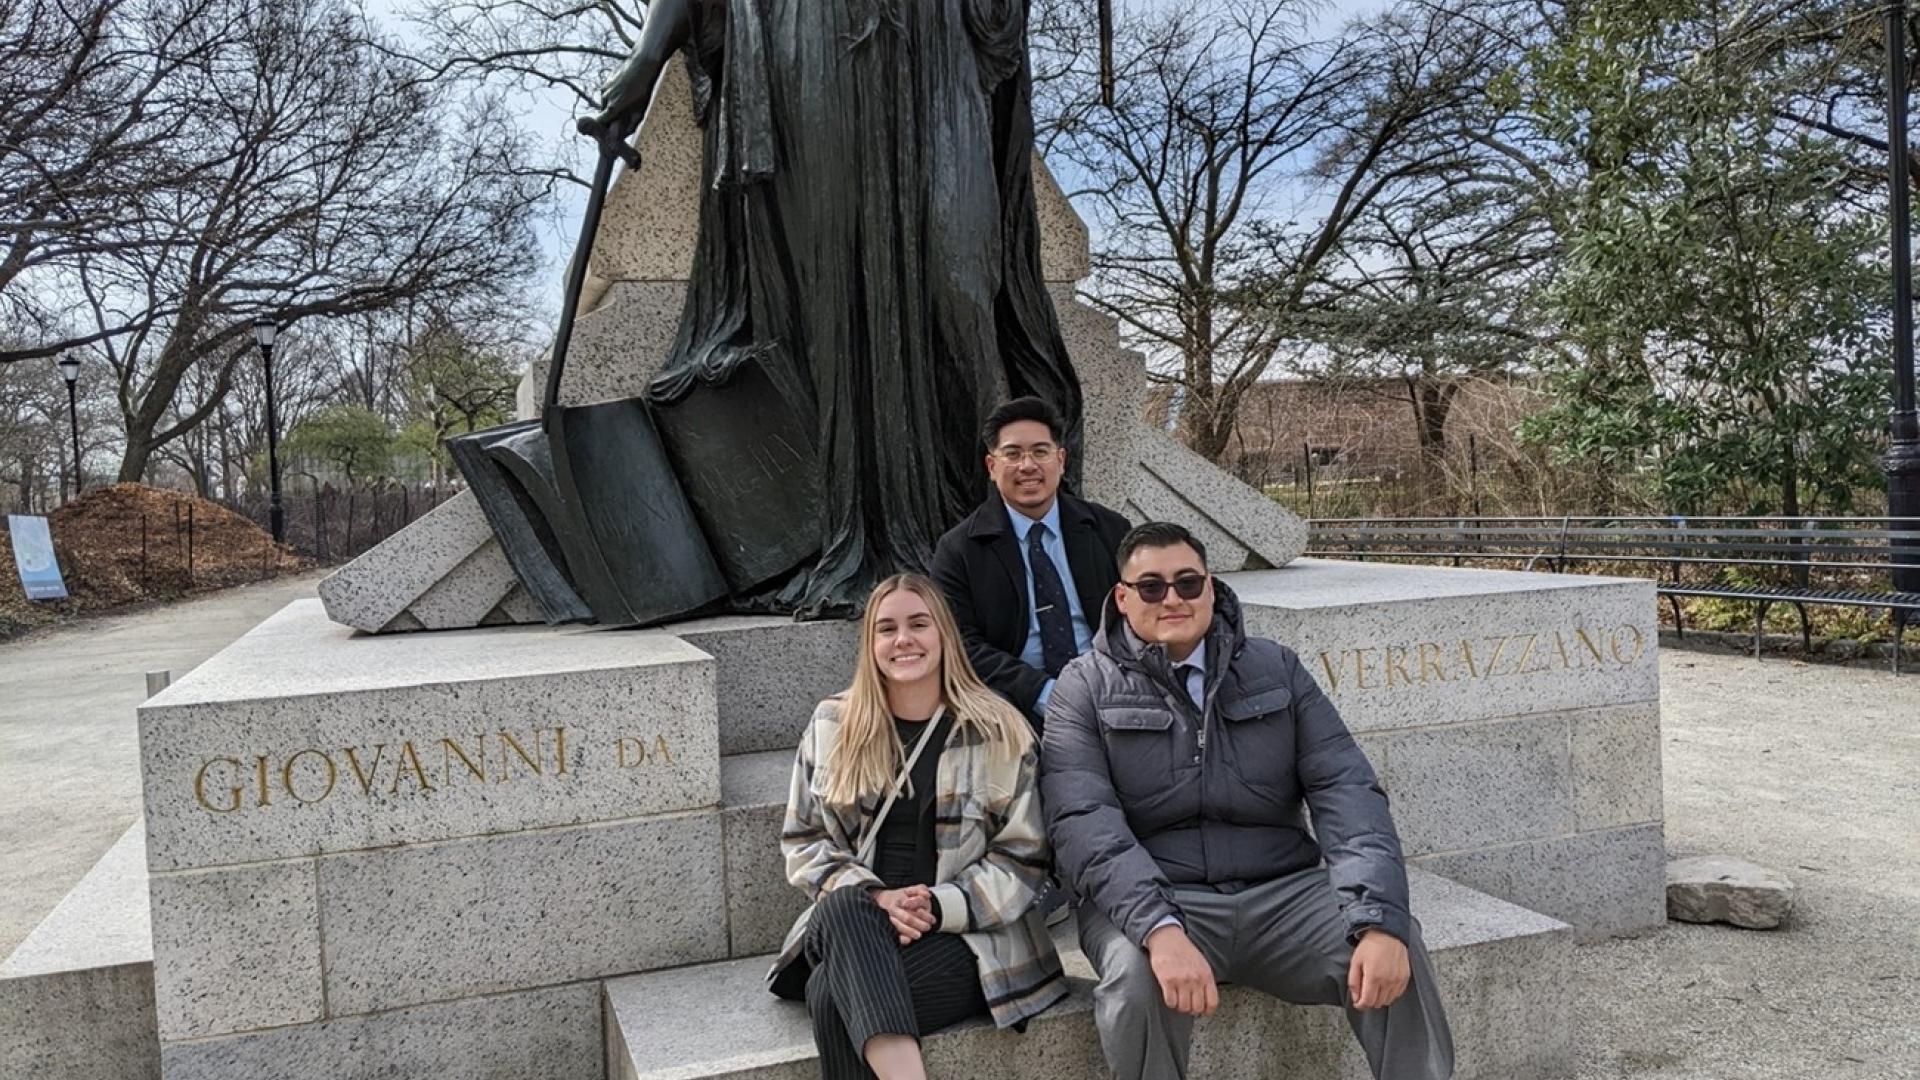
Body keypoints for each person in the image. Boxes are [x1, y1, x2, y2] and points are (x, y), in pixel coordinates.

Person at [588, 0, 1083, 619]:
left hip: (937, 42)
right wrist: (649, 52)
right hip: (809, 41)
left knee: (964, 281)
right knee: (827, 296)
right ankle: (844, 531)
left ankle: (1002, 535)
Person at [1040, 522, 1454, 1080]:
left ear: (1210, 587)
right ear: (1122, 597)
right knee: (1135, 978)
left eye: (1188, 583)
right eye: (1152, 587)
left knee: (1397, 946)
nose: (1173, 599)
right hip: (1163, 897)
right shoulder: (1082, 686)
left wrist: (1377, 918)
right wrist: (1159, 929)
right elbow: (1083, 823)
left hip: (1284, 893)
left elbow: (1346, 791)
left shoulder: (1275, 667)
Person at [771, 574, 1068, 1079]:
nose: (902, 639)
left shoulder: (999, 729)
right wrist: (880, 901)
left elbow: (1025, 860)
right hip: (853, 924)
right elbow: (805, 842)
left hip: (969, 938)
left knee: (829, 996)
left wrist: (933, 906)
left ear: (944, 635)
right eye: (886, 628)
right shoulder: (832, 725)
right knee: (847, 904)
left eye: (918, 624)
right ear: (871, 644)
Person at [931, 397, 1130, 733]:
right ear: (992, 467)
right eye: (1013, 454)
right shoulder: (959, 549)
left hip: (1113, 690)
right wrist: (1046, 693)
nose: (1027, 466)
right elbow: (960, 643)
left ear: (1061, 460)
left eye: (1040, 452)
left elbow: (1140, 613)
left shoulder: (1110, 531)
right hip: (1015, 706)